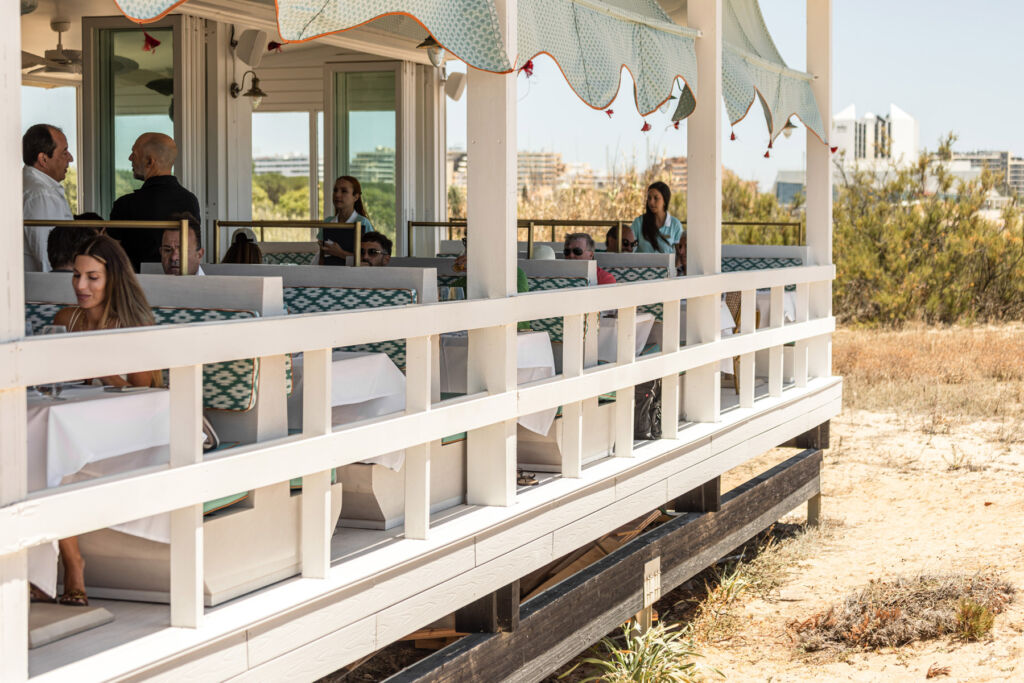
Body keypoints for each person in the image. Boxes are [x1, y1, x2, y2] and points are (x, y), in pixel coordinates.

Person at [50, 234, 163, 606]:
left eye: (92, 277)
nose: (81, 286)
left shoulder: (134, 326)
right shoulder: (67, 320)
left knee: (54, 464)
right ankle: (49, 567)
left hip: (133, 435)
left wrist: (96, 363)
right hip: (82, 429)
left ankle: (73, 568)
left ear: (113, 278)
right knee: (41, 458)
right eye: (76, 276)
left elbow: (141, 393)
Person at [108, 132, 202, 272]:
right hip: (181, 283)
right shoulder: (190, 201)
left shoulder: (125, 205)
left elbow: (110, 256)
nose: (130, 158)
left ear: (149, 161)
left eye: (134, 153)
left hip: (135, 286)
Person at [23, 123, 74, 272]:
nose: (70, 158)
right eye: (64, 152)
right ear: (43, 159)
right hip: (47, 290)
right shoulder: (42, 195)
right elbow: (46, 258)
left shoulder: (35, 188)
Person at [319, 175, 373, 266]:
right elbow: (322, 258)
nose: (337, 195)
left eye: (344, 191)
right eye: (335, 190)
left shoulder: (363, 223)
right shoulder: (327, 222)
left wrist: (340, 253)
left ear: (356, 197)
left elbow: (370, 260)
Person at [630, 181, 684, 258]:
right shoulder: (638, 222)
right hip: (641, 269)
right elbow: (628, 249)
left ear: (665, 201)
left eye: (656, 198)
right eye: (649, 198)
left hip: (666, 269)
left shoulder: (675, 225)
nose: (651, 202)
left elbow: (680, 255)